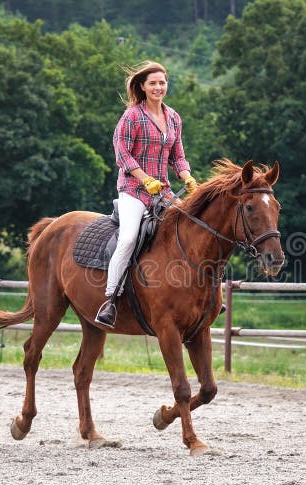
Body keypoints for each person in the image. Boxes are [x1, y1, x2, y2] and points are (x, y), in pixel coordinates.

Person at [95, 61, 197, 327]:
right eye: (153, 83)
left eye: (162, 82)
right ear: (142, 86)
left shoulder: (173, 117)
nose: (158, 87)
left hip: (163, 192)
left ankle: (202, 294)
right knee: (128, 238)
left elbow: (179, 156)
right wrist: (144, 179)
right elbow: (122, 155)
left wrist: (187, 176)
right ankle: (110, 299)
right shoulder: (131, 117)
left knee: (193, 230)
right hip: (133, 191)